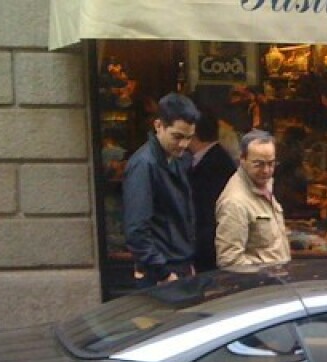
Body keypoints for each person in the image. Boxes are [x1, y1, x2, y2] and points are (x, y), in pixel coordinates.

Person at [121, 92, 198, 288]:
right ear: (158, 126)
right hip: (161, 274)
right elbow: (136, 230)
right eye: (177, 137)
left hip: (178, 266)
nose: (183, 144)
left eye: (189, 138)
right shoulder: (144, 165)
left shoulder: (177, 160)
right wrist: (163, 273)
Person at [215, 128, 292, 267]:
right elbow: (230, 260)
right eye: (259, 164)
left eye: (271, 163)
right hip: (261, 285)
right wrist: (266, 275)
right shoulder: (235, 202)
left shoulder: (264, 184)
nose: (266, 170)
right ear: (242, 160)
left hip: (278, 281)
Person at [187, 112, 237, 273]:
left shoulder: (215, 165)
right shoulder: (210, 159)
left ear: (193, 132)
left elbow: (208, 213)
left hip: (211, 254)